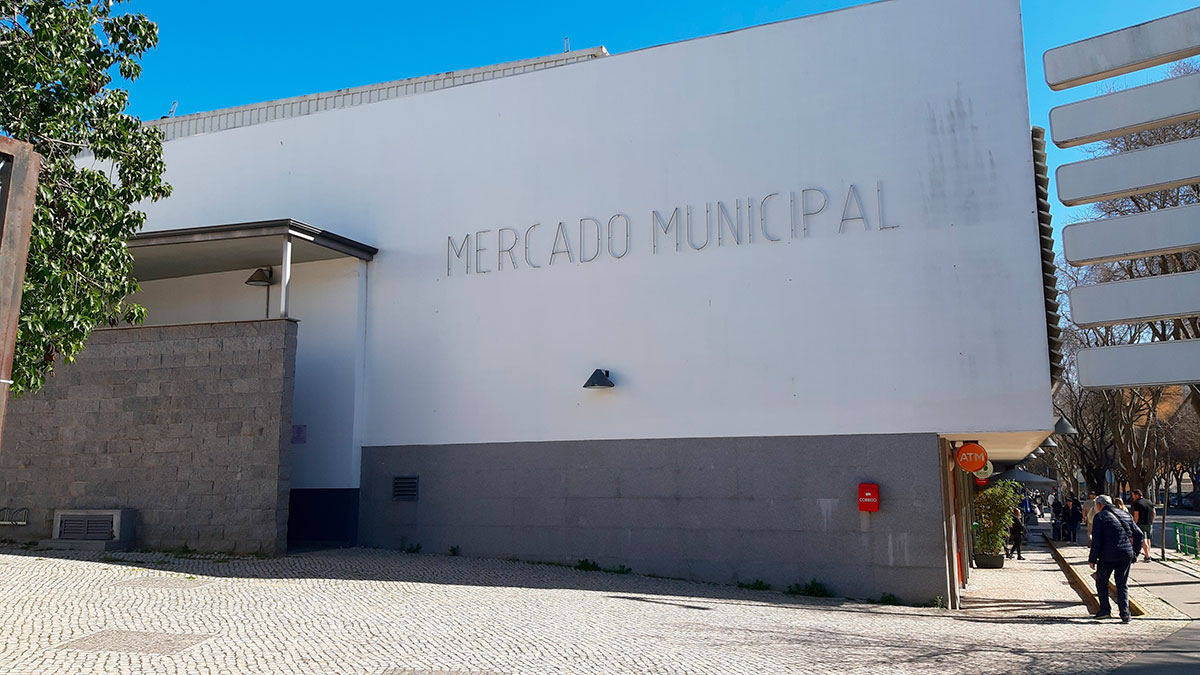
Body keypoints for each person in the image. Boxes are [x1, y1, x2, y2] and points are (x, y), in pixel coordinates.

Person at [1088, 495, 1144, 623]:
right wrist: (1135, 552)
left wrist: (1092, 559)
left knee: (1102, 582)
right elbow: (1139, 534)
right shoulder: (1125, 514)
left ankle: (1105, 610)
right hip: (1125, 555)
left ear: (1100, 505)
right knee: (1122, 584)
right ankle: (1125, 614)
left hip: (1107, 556)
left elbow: (1097, 540)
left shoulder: (1100, 517)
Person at [1130, 489, 1154, 563]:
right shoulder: (1149, 502)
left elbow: (1136, 514)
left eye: (1133, 495)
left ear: (1137, 495)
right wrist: (1152, 520)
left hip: (1141, 523)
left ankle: (1147, 555)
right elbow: (1153, 512)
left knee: (1143, 539)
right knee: (1148, 539)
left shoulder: (1137, 503)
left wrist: (1134, 523)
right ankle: (1147, 554)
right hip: (1149, 523)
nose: (1132, 497)